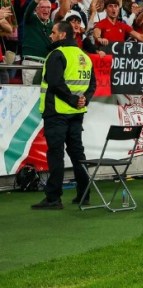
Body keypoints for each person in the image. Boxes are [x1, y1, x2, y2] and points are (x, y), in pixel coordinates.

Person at [31, 20, 96, 210]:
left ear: (62, 35)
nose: (50, 36)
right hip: (77, 113)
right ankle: (84, 194)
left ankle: (53, 198)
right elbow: (93, 84)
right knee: (77, 153)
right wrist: (83, 99)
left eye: (53, 32)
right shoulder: (84, 56)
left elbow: (55, 83)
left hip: (57, 112)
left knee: (55, 155)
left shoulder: (56, 54)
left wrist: (73, 100)